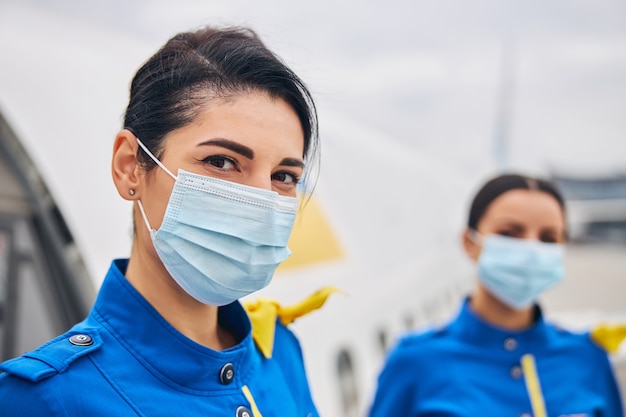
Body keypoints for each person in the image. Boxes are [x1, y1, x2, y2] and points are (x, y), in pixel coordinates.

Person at [0, 26, 329, 416]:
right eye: (221, 162)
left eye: (284, 176)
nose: (261, 202)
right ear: (130, 168)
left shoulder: (281, 355)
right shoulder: (44, 399)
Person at [368, 173, 624, 417]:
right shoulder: (414, 362)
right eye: (509, 234)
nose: (531, 250)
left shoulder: (588, 358)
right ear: (469, 243)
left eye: (548, 238)